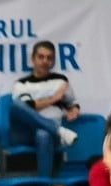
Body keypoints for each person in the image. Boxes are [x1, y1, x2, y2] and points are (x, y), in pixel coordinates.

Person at [10, 40, 80, 177]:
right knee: (16, 105)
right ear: (33, 59)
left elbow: (72, 102)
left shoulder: (60, 81)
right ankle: (60, 131)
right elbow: (27, 106)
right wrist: (53, 99)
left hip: (49, 134)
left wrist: (74, 109)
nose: (44, 61)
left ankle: (45, 184)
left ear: (53, 61)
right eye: (40, 57)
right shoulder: (22, 84)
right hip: (25, 132)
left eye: (49, 58)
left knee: (43, 134)